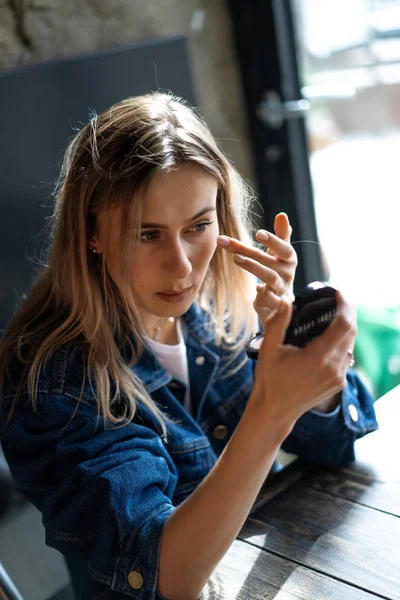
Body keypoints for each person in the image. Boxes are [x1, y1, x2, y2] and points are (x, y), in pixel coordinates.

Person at [0, 92, 378, 600]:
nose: (181, 267)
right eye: (147, 234)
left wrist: (293, 347)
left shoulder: (223, 312)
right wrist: (272, 410)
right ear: (91, 232)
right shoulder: (53, 382)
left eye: (199, 226)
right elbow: (168, 577)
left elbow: (337, 448)